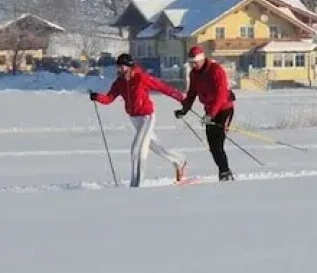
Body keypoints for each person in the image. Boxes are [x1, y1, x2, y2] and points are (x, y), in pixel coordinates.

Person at [89, 54, 188, 187]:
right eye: (118, 66)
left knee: (137, 149)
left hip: (147, 116)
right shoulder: (120, 82)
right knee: (156, 146)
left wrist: (180, 97)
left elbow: (162, 87)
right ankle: (179, 160)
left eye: (122, 66)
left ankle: (136, 185)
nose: (119, 69)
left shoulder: (141, 78)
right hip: (134, 118)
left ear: (129, 66)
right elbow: (109, 98)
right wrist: (97, 97)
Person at [176, 45, 236, 180]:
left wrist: (211, 114)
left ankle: (225, 172)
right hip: (210, 111)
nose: (193, 65)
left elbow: (221, 95)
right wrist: (184, 110)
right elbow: (192, 93)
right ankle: (224, 171)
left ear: (202, 60)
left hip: (224, 108)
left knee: (218, 142)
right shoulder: (193, 74)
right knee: (212, 145)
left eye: (195, 63)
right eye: (191, 63)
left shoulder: (216, 70)